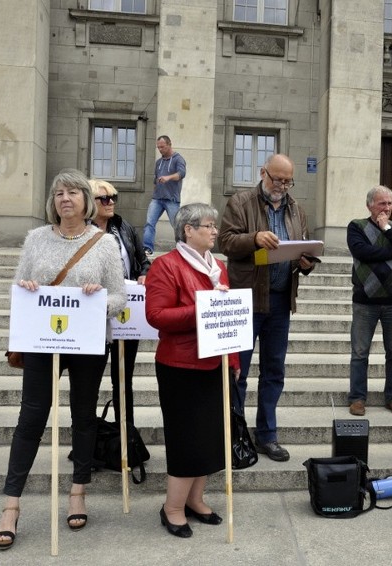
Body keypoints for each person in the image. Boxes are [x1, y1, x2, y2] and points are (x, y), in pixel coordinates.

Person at [0, 169, 126, 550]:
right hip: (41, 339)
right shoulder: (35, 239)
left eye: (72, 193)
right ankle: (11, 505)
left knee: (83, 416)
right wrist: (28, 287)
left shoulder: (104, 243)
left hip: (86, 341)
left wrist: (97, 297)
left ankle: (78, 490)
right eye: (59, 193)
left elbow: (119, 298)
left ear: (86, 200)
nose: (65, 198)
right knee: (31, 415)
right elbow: (19, 286)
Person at [145, 203, 240, 538]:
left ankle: (195, 499)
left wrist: (234, 360)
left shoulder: (219, 268)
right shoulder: (166, 266)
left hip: (215, 363)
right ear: (188, 230)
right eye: (209, 226)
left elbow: (228, 318)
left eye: (214, 226)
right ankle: (172, 507)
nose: (215, 231)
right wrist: (201, 307)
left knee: (211, 439)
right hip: (181, 365)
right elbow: (156, 316)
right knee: (187, 440)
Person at [217, 153, 316, 462]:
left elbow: (304, 245)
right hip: (246, 298)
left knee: (274, 371)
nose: (282, 187)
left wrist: (307, 261)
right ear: (263, 173)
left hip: (280, 299)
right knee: (239, 371)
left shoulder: (297, 208)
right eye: (278, 180)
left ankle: (267, 436)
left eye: (288, 181)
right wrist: (255, 238)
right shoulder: (241, 202)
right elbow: (225, 242)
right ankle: (235, 435)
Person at [89, 179, 151, 425]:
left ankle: (126, 438)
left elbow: (142, 259)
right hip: (94, 312)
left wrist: (144, 272)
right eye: (104, 198)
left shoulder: (123, 226)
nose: (111, 202)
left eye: (113, 196)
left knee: (124, 378)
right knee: (89, 380)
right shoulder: (81, 230)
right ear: (89, 201)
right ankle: (88, 443)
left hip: (126, 309)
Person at [346, 185, 392, 417]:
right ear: (369, 205)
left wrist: (386, 229)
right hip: (365, 300)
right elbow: (362, 252)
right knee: (359, 352)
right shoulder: (356, 226)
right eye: (382, 203)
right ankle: (357, 398)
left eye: (390, 203)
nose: (387, 208)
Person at [143, 135, 187, 256]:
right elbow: (155, 180)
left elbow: (181, 174)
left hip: (172, 200)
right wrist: (155, 191)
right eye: (158, 147)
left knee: (177, 225)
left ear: (169, 144)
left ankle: (183, 250)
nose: (160, 149)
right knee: (149, 223)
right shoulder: (158, 162)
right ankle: (147, 248)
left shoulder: (179, 159)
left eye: (162, 147)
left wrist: (168, 177)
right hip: (157, 199)